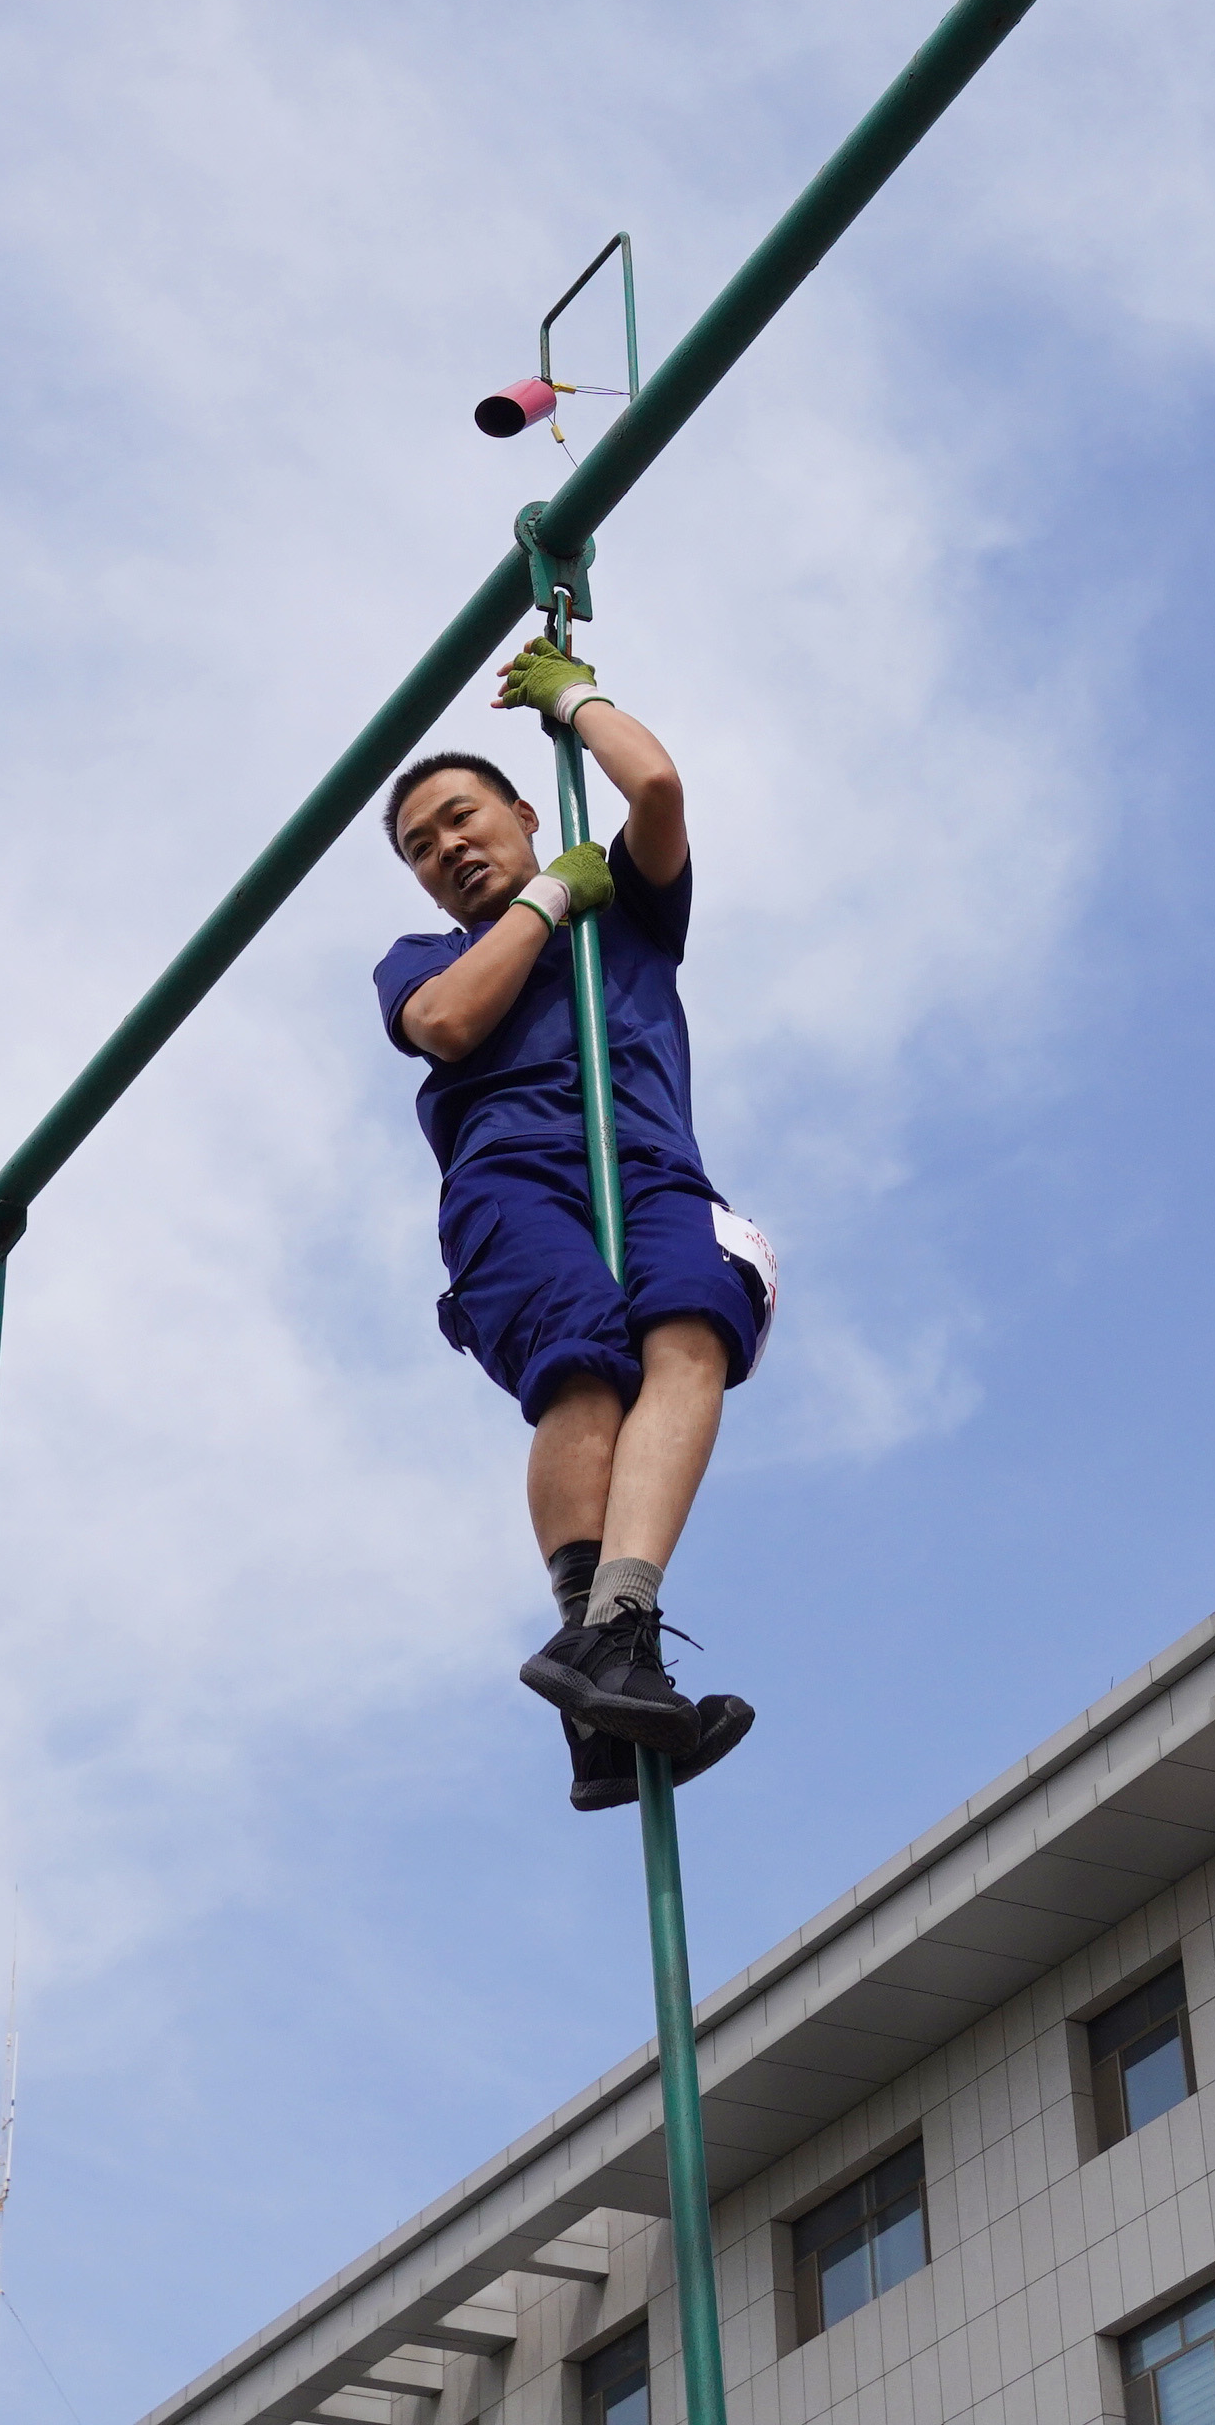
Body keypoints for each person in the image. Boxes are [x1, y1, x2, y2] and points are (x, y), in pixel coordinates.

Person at [377, 633, 770, 1810]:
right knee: (583, 1369)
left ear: (521, 812)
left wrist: (575, 697)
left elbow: (653, 786)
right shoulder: (425, 956)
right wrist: (549, 900)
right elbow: (448, 1022)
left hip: (652, 1163)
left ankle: (618, 1638)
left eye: (462, 816)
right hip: (517, 1173)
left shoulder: (635, 914)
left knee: (695, 1335)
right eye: (420, 847)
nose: (447, 848)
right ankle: (589, 1638)